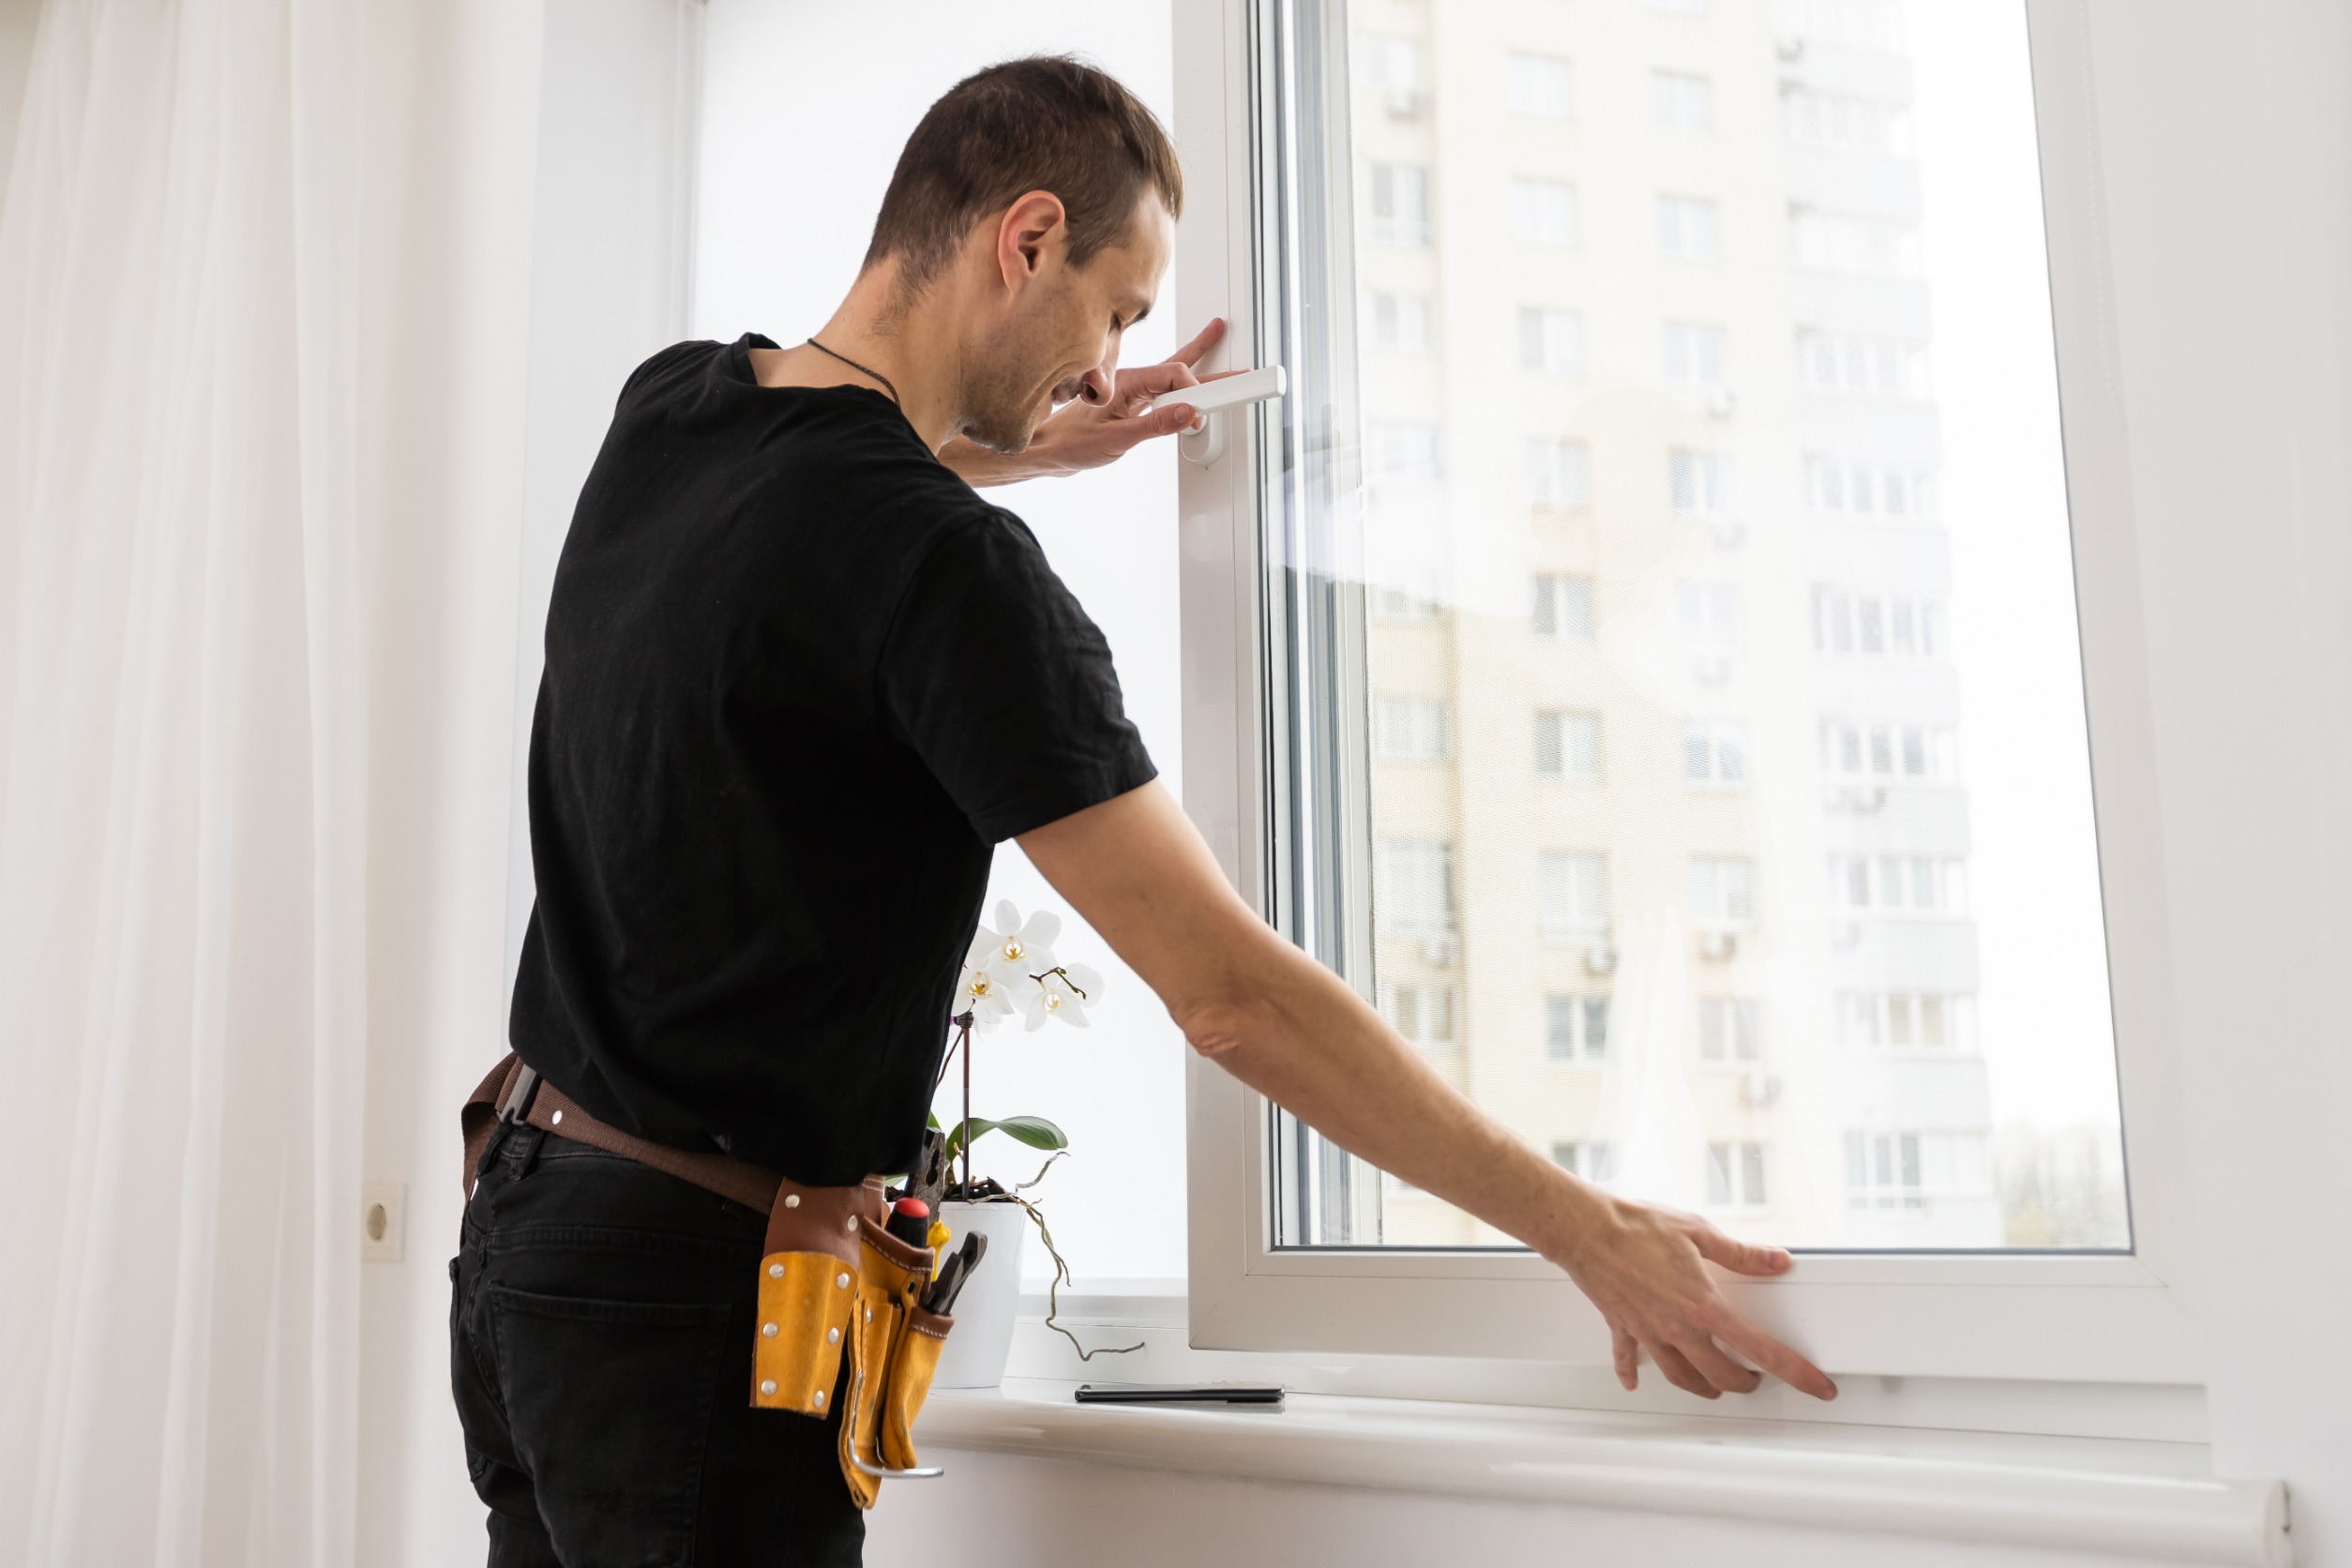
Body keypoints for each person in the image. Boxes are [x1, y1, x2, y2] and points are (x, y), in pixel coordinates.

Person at [449, 53, 1836, 1568]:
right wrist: (1586, 1229)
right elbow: (1234, 998)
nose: (1109, 366)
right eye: (1112, 310)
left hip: (531, 1235)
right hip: (694, 1302)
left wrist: (1027, 435)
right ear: (1024, 237)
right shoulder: (949, 574)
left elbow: (821, 496)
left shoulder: (678, 407)